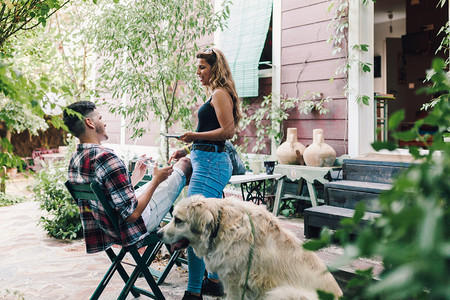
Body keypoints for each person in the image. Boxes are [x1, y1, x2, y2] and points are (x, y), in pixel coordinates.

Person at [63, 100, 192, 254]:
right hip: (131, 228)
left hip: (106, 230)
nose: (104, 123)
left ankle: (182, 233)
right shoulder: (106, 157)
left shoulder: (75, 159)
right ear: (89, 122)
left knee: (177, 178)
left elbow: (109, 197)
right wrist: (156, 180)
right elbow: (132, 215)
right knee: (185, 163)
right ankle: (191, 234)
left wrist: (135, 179)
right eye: (100, 118)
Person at [170, 47, 242, 300]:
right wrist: (187, 147)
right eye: (197, 67)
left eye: (202, 67)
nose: (197, 72)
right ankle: (212, 281)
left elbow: (227, 132)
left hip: (212, 165)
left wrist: (194, 136)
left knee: (194, 225)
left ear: (215, 68)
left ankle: (193, 293)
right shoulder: (214, 94)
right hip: (206, 161)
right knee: (207, 226)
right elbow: (211, 132)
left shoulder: (221, 93)